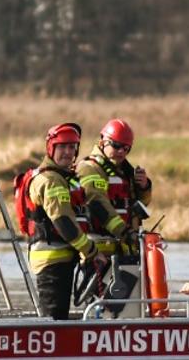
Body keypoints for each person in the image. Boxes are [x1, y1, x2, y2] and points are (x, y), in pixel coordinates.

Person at [22, 122, 99, 320]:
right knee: (54, 318)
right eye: (62, 147)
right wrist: (90, 250)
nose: (67, 152)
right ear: (51, 148)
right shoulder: (50, 180)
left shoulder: (63, 177)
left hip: (62, 257)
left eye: (72, 147)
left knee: (59, 315)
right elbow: (63, 222)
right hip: (52, 259)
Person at [77, 118, 154, 315]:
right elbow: (97, 203)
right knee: (99, 305)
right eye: (117, 146)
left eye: (126, 148)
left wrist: (143, 187)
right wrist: (124, 231)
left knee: (127, 306)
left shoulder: (125, 171)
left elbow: (140, 203)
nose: (121, 152)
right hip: (99, 249)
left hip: (125, 247)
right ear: (103, 141)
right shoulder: (89, 168)